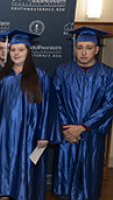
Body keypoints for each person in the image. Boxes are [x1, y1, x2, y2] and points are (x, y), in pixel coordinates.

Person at [0, 29, 61, 200]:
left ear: (28, 52)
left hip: (29, 135)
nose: (16, 53)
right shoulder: (0, 76)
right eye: (13, 50)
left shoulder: (40, 76)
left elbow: (49, 107)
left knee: (26, 174)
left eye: (21, 50)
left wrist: (44, 135)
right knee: (3, 173)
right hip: (2, 134)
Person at [52, 26, 113, 200]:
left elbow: (109, 105)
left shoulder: (108, 74)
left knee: (88, 180)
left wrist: (83, 127)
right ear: (75, 49)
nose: (84, 52)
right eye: (80, 47)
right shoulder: (62, 71)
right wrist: (67, 128)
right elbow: (56, 101)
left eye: (88, 47)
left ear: (96, 49)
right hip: (67, 135)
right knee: (64, 180)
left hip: (91, 136)